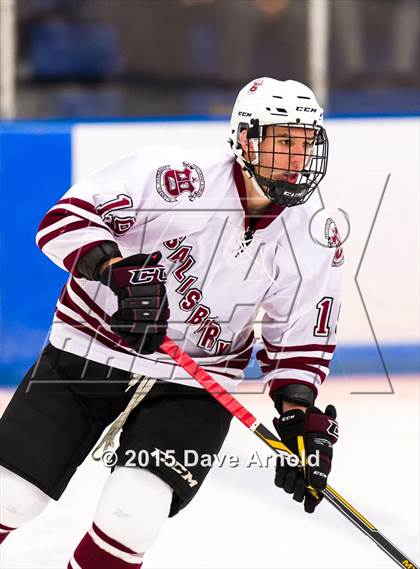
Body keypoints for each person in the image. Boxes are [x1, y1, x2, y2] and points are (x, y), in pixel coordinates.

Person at [0, 77, 342, 568]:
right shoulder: (174, 177)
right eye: (284, 140)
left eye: (306, 142)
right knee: (10, 495)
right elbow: (64, 220)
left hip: (195, 383)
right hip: (90, 353)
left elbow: (300, 336)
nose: (297, 157)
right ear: (246, 139)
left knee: (133, 513)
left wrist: (299, 417)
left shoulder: (314, 232)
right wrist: (116, 271)